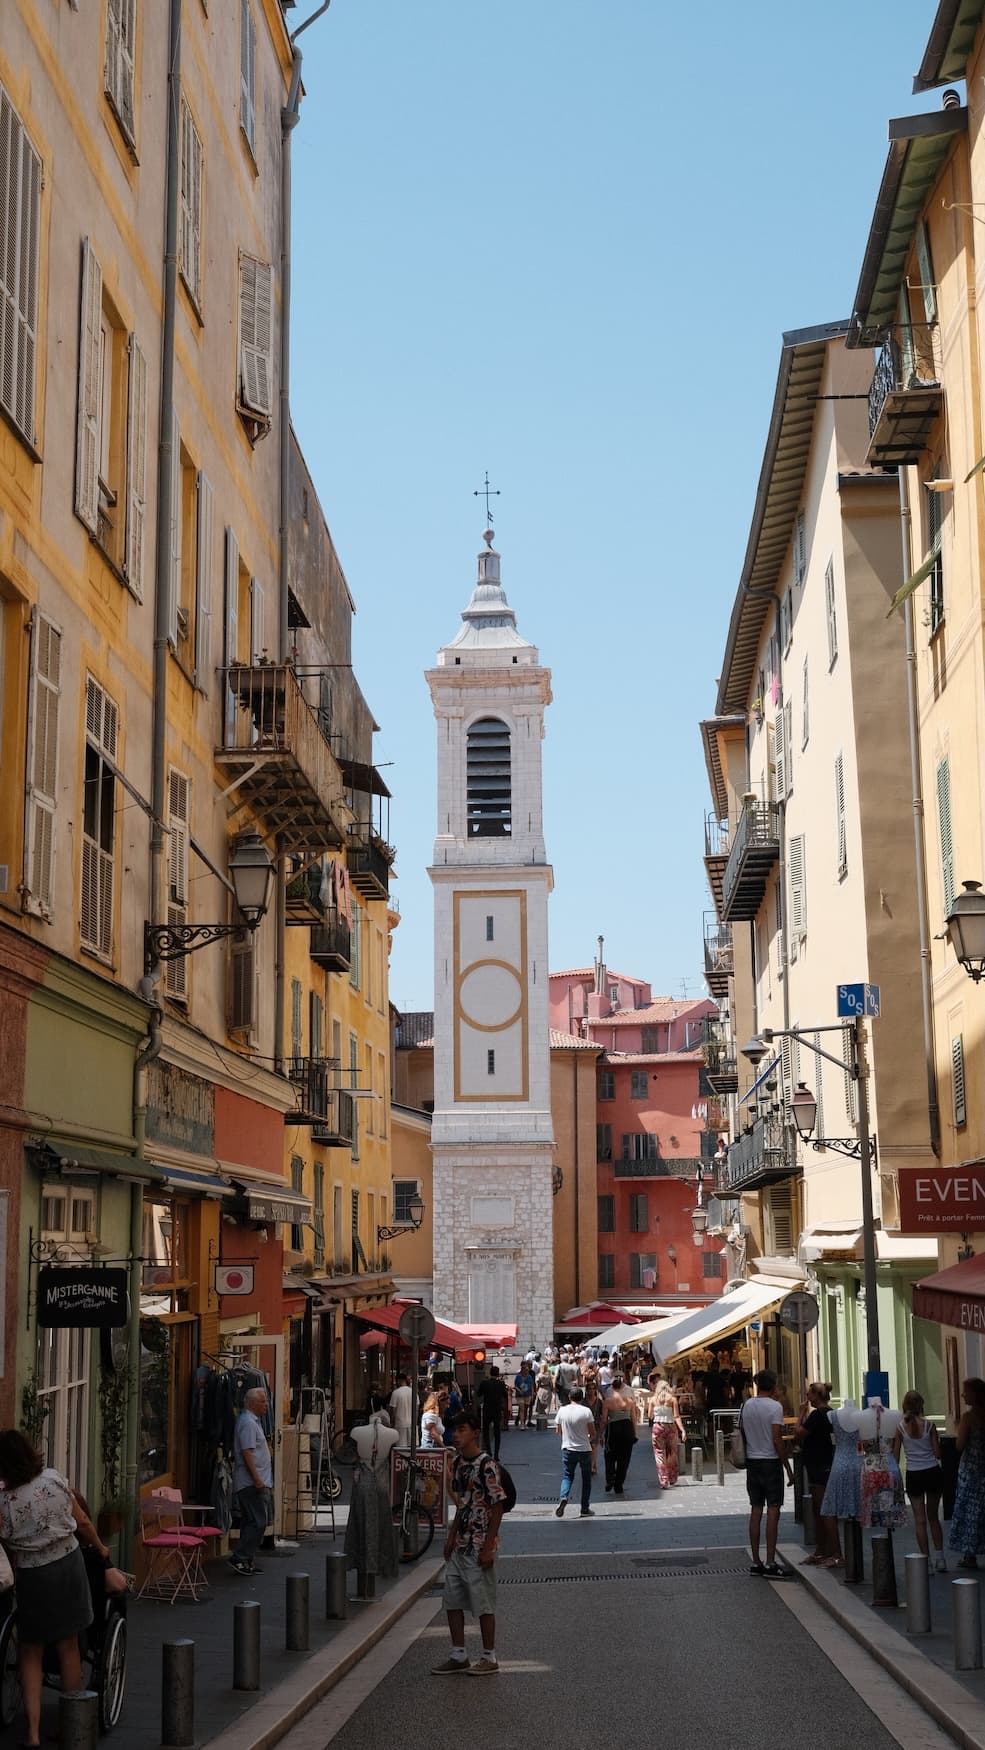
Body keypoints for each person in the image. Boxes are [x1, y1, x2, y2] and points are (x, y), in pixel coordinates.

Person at [0, 1430, 101, 1750]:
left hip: (33, 1574)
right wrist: (99, 1547)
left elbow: (6, 1542)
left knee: (31, 1650)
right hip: (68, 1565)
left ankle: (32, 1732)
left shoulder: (4, 1502)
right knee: (68, 1645)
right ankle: (74, 1724)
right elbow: (82, 1520)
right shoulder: (54, 1480)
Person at [431, 1410, 506, 1676]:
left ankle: (489, 1656)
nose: (456, 1435)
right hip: (461, 1543)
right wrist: (451, 1536)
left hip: (479, 1543)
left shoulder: (487, 1464)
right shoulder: (460, 1464)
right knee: (452, 1600)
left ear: (475, 1432)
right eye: (454, 1430)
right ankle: (458, 1654)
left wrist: (488, 1545)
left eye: (462, 1430)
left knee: (483, 1602)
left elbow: (497, 1506)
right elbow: (462, 1504)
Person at [741, 1369, 794, 1577]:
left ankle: (756, 1561)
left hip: (752, 1461)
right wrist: (787, 1468)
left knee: (755, 1510)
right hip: (770, 1462)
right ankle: (771, 1561)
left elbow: (744, 1433)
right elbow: (777, 1439)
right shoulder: (775, 1407)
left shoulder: (746, 1405)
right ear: (773, 1386)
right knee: (773, 1510)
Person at [892, 1390, 945, 1571]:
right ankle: (941, 1558)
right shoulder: (930, 1426)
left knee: (920, 1520)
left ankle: (926, 1562)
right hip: (932, 1472)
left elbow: (896, 1456)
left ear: (905, 1406)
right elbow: (937, 1453)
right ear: (921, 1405)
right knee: (933, 1519)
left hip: (914, 1474)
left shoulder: (900, 1428)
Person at [795, 1382, 841, 1568]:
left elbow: (799, 1433)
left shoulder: (817, 1415)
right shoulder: (832, 1413)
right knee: (819, 1510)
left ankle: (836, 1553)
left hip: (818, 1466)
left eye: (809, 1394)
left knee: (824, 1510)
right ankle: (822, 1551)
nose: (807, 1397)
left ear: (816, 1395)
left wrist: (800, 1414)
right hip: (826, 1463)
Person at [231, 1385, 272, 1575]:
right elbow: (246, 1452)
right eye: (263, 1401)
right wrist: (256, 1478)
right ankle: (239, 1557)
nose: (266, 1405)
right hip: (251, 1482)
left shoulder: (251, 1421)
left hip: (254, 1480)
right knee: (258, 1521)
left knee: (251, 1521)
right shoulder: (248, 1422)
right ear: (252, 1403)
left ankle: (246, 1560)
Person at [949, 1376, 985, 1569]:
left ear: (974, 1394)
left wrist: (958, 1430)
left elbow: (959, 1445)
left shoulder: (968, 1418)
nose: (962, 1395)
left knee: (969, 1512)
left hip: (971, 1471)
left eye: (965, 1391)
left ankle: (969, 1555)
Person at [554, 1385, 596, 1517]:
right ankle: (584, 1507)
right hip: (584, 1449)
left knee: (567, 1475)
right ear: (582, 1398)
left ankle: (563, 1497)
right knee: (586, 1479)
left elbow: (558, 1431)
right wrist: (588, 1439)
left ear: (569, 1397)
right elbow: (592, 1433)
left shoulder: (562, 1411)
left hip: (568, 1448)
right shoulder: (586, 1411)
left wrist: (567, 1437)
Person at [600, 1374, 638, 1496]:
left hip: (613, 1429)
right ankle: (619, 1484)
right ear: (623, 1387)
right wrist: (635, 1434)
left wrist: (601, 1434)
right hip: (627, 1429)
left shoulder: (607, 1401)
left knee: (609, 1455)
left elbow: (604, 1420)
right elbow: (634, 1419)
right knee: (624, 1458)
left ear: (612, 1388)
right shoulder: (630, 1401)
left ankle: (610, 1479)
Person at [649, 1378, 685, 1489]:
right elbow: (676, 1416)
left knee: (659, 1454)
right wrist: (682, 1430)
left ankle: (663, 1480)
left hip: (658, 1427)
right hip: (671, 1427)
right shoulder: (673, 1400)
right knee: (672, 1453)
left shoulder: (653, 1400)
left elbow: (649, 1416)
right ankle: (672, 1477)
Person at [475, 1368, 509, 1459]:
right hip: (497, 1410)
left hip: (487, 1409)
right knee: (497, 1431)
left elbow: (478, 1394)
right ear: (498, 1374)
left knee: (485, 1430)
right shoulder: (501, 1384)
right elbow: (505, 1395)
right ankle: (496, 1454)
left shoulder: (484, 1383)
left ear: (490, 1373)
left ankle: (488, 1450)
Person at [389, 1372, 413, 1448]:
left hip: (400, 1424)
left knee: (400, 1448)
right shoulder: (413, 1392)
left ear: (399, 1380)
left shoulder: (395, 1393)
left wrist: (392, 1421)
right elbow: (417, 1408)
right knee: (412, 1448)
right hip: (412, 1424)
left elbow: (393, 1409)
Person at [513, 1360, 534, 1428]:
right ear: (522, 1370)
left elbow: (531, 1386)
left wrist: (532, 1394)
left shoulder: (529, 1377)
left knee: (526, 1409)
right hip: (520, 1395)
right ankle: (522, 1424)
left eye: (527, 1370)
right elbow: (515, 1385)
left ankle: (524, 1422)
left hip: (528, 1395)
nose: (526, 1372)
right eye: (525, 1370)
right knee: (522, 1409)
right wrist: (519, 1390)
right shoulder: (518, 1377)